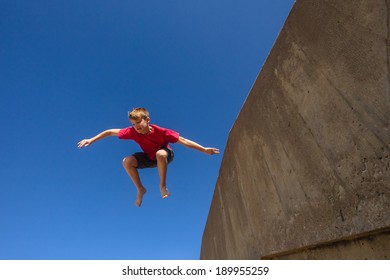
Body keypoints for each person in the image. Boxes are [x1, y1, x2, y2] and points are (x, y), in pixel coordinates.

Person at [78, 107, 219, 207]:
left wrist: (204, 149)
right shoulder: (132, 132)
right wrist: (90, 140)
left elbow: (184, 141)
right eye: (133, 124)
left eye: (138, 122)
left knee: (160, 153)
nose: (136, 127)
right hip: (149, 158)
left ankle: (162, 185)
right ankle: (140, 189)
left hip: (165, 155)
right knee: (126, 161)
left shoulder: (162, 132)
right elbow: (109, 132)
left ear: (147, 120)